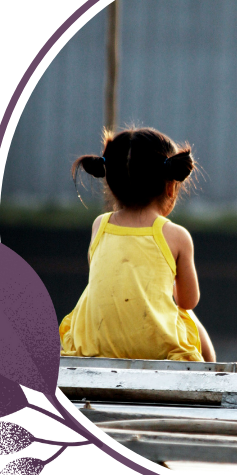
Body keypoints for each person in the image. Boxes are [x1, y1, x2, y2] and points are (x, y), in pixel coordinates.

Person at [59, 126, 216, 363]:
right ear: (171, 186)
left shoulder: (99, 225)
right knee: (190, 318)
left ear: (110, 183)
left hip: (90, 345)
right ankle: (211, 377)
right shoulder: (177, 236)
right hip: (157, 351)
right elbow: (188, 301)